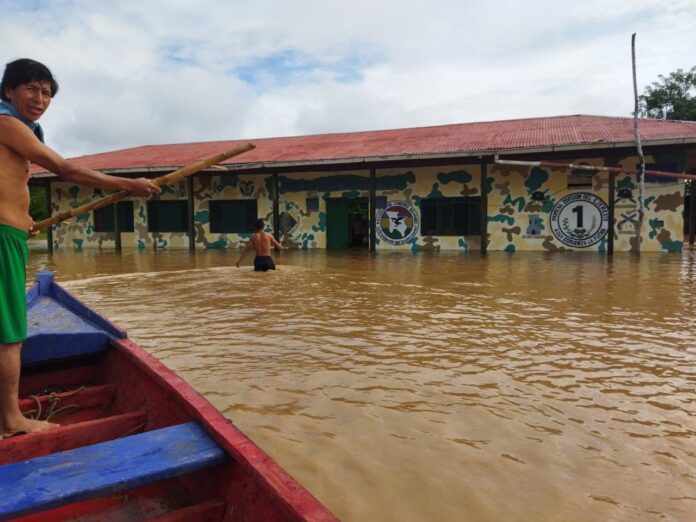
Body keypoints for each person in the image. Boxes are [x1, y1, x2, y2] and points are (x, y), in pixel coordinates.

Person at [0, 58, 161, 437]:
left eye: (46, 92)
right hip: (3, 238)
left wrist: (22, 219)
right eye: (31, 89)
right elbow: (64, 169)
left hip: (11, 231)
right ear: (8, 91)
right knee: (9, 333)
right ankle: (10, 420)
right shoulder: (7, 123)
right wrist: (127, 185)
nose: (40, 98)